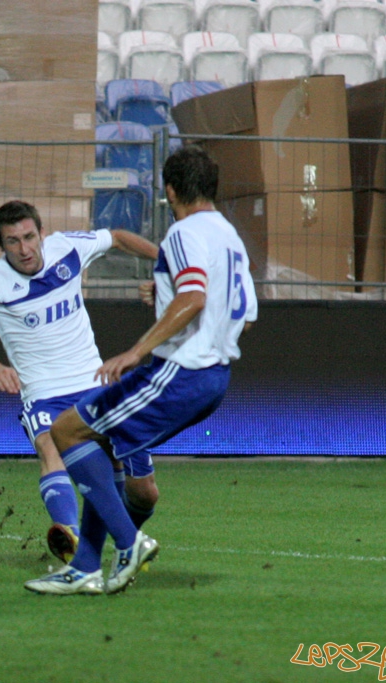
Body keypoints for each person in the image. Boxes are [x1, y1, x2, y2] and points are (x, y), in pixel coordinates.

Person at [25, 146, 258, 595]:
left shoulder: (183, 232)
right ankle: (86, 567)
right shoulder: (229, 236)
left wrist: (137, 350)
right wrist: (174, 303)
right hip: (214, 377)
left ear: (170, 190)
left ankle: (129, 543)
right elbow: (244, 313)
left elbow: (193, 298)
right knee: (102, 445)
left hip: (181, 372)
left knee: (67, 430)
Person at [0, 200, 159, 565]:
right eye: (13, 241)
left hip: (97, 384)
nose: (25, 248)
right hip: (45, 395)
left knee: (144, 494)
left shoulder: (68, 248)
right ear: (0, 247)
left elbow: (118, 237)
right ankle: (72, 538)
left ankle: (121, 540)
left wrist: (166, 263)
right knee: (49, 446)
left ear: (42, 233)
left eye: (30, 237)